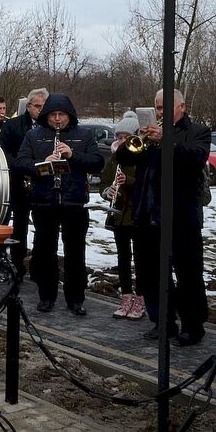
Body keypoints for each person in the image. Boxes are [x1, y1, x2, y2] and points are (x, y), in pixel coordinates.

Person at [115, 89, 210, 346]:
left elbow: (194, 159)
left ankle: (193, 326)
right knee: (151, 273)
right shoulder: (148, 132)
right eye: (157, 108)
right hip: (148, 215)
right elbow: (121, 157)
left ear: (182, 107)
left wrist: (165, 139)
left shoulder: (197, 131)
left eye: (165, 108)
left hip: (181, 216)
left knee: (188, 273)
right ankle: (162, 322)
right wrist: (137, 138)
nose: (160, 113)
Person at [16, 93, 103, 316]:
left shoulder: (84, 135)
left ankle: (75, 299)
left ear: (69, 115)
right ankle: (46, 296)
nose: (57, 119)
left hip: (74, 202)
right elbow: (21, 163)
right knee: (45, 251)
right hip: (44, 202)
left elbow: (97, 162)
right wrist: (42, 164)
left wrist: (72, 155)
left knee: (75, 252)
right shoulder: (34, 135)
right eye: (53, 115)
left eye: (61, 115)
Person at [0, 88, 49, 280]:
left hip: (43, 182)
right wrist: (23, 166)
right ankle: (17, 265)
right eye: (37, 106)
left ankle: (38, 266)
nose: (41, 110)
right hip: (19, 181)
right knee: (20, 226)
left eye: (44, 106)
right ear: (28, 106)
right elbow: (3, 151)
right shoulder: (14, 125)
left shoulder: (49, 125)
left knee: (43, 228)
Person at [99, 111, 144, 320]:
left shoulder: (142, 156)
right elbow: (104, 182)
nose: (122, 141)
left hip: (138, 215)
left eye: (126, 137)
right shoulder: (115, 159)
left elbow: (148, 186)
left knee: (141, 258)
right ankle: (126, 296)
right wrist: (108, 191)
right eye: (119, 137)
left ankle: (141, 299)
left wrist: (130, 181)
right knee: (123, 258)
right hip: (119, 215)